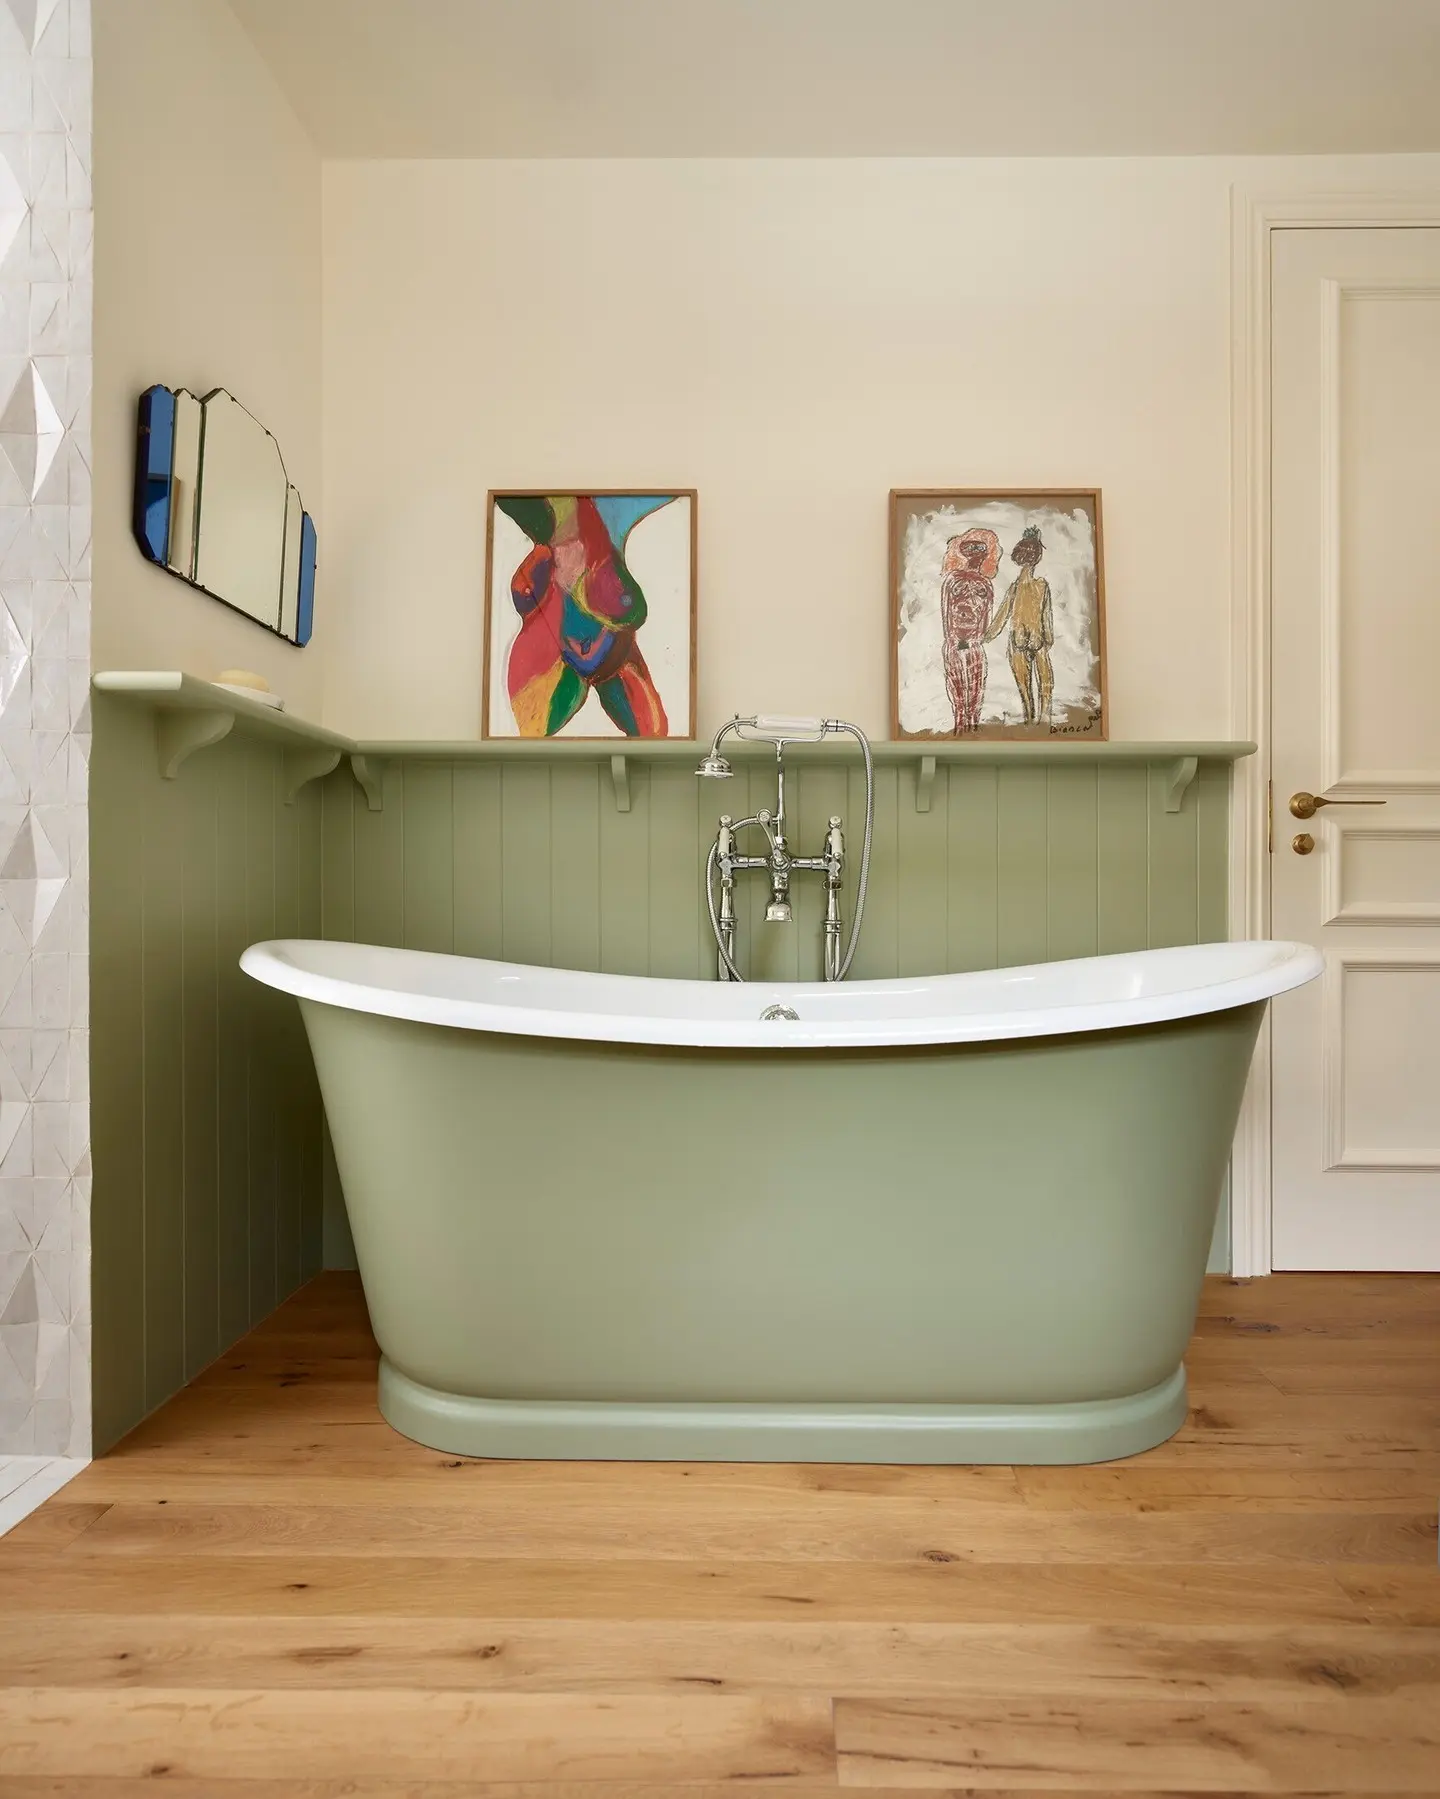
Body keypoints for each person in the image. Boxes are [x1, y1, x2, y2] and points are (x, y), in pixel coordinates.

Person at [987, 524, 1054, 725]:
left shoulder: (1028, 587)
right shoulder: (1031, 587)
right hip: (1032, 640)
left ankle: (1037, 721)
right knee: (1038, 686)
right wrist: (986, 636)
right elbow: (1002, 616)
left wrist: (987, 636)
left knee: (1039, 686)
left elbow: (1002, 617)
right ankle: (1035, 722)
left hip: (1026, 640)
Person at [939, 527, 1001, 733]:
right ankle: (959, 725)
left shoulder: (986, 584)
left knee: (975, 690)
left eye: (980, 550)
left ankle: (972, 726)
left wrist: (977, 639)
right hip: (954, 642)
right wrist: (953, 639)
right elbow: (946, 613)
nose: (975, 555)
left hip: (974, 643)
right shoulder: (952, 580)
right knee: (957, 690)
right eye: (970, 549)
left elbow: (986, 617)